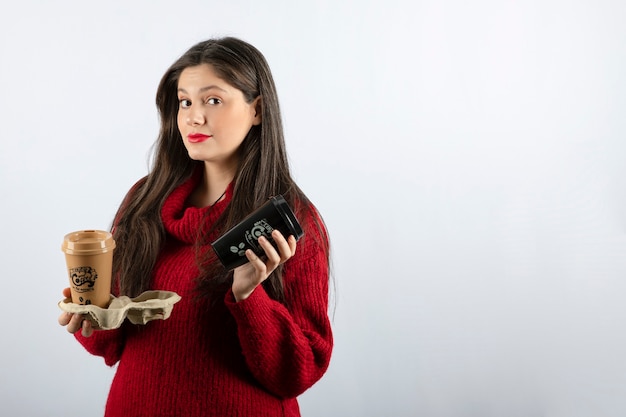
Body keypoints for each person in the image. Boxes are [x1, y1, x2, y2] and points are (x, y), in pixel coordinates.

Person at [58, 36, 333, 417]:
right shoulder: (144, 200)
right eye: (185, 101)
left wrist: (249, 295)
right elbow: (111, 344)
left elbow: (297, 373)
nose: (193, 116)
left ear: (258, 109)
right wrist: (90, 312)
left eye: (213, 100)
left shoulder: (294, 221)